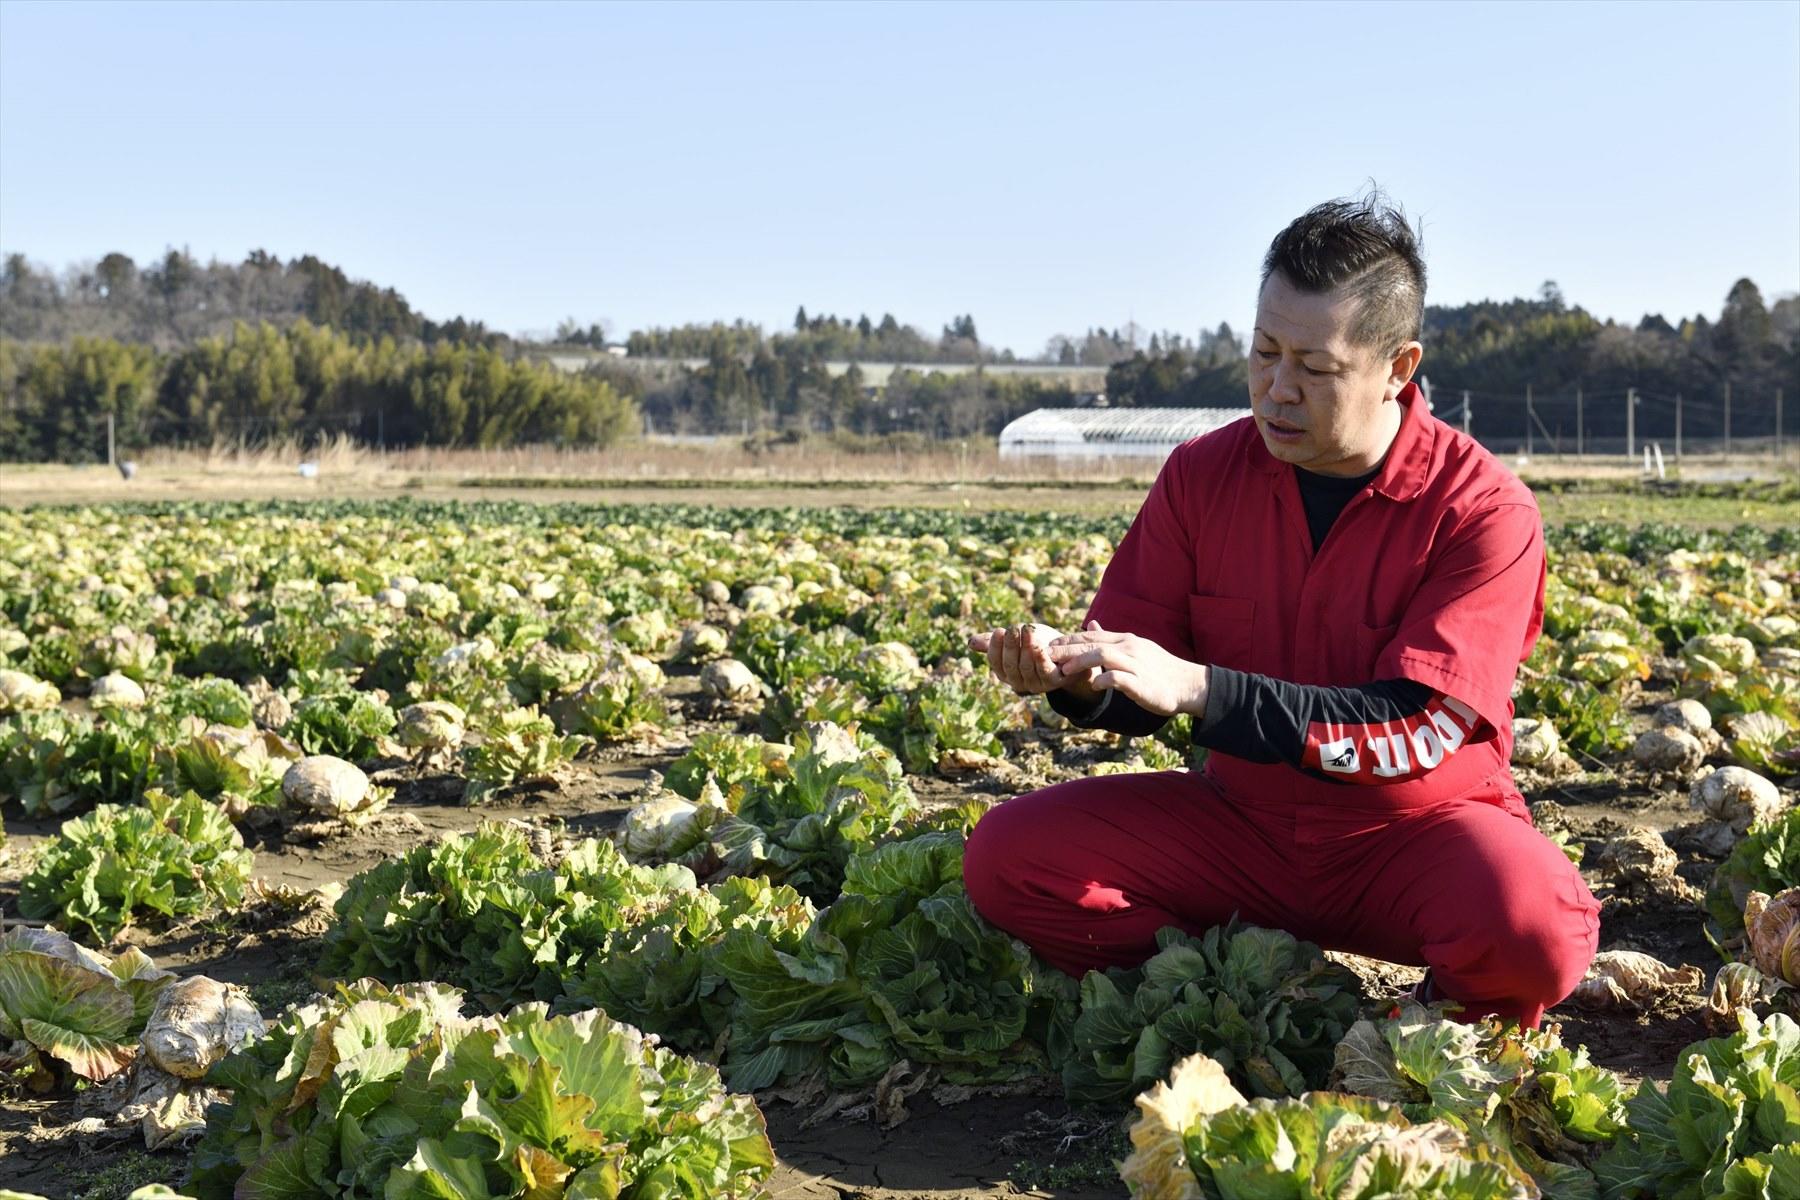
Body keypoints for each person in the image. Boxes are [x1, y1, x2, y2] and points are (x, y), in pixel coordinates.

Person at [962, 194, 1599, 1029]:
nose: (1278, 388)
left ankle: (1433, 1019)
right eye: (1263, 353)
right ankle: (1235, 984)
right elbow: (1138, 683)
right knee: (1007, 858)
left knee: (1535, 928)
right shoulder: (1202, 476)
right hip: (1242, 828)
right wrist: (1073, 680)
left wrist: (1200, 690)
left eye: (1316, 367)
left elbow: (1417, 729)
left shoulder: (1482, 509)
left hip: (1411, 839)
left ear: (1398, 368)